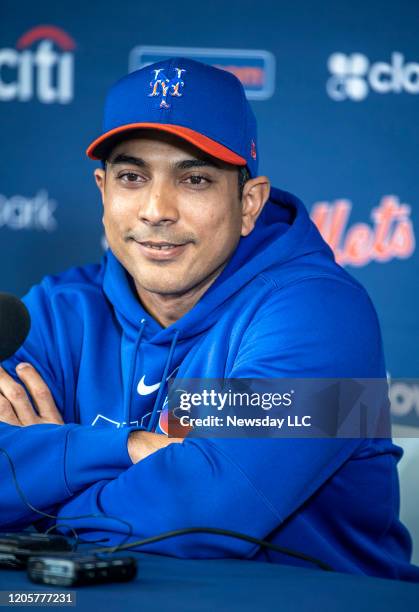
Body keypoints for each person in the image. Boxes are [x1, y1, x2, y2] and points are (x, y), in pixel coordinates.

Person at [0, 58, 417, 580]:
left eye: (194, 178)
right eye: (132, 176)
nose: (156, 209)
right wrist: (130, 448)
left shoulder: (324, 314)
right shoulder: (60, 310)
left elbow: (207, 515)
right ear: (103, 191)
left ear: (248, 203)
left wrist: (40, 493)